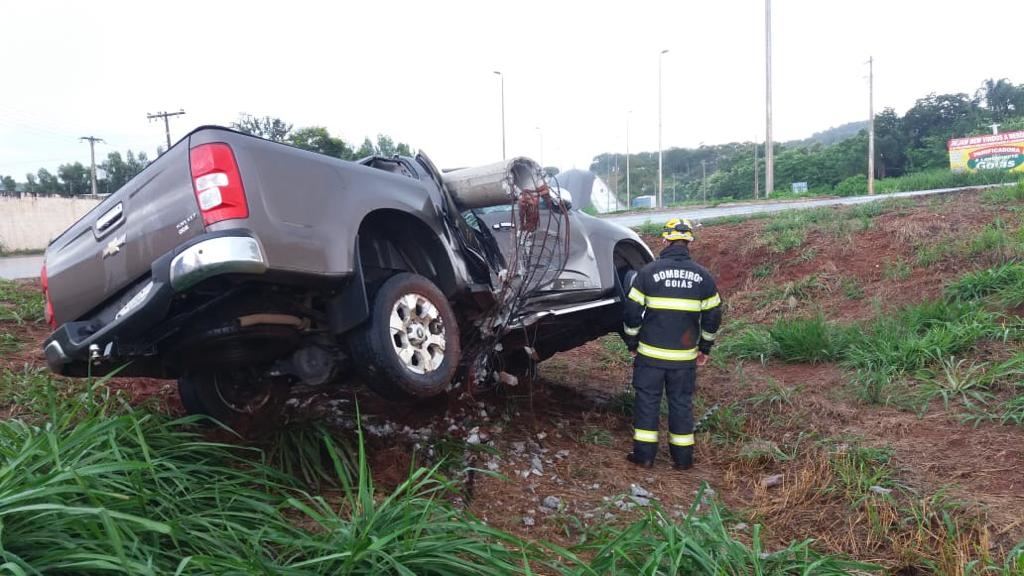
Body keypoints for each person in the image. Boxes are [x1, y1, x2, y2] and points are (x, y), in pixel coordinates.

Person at [622, 218, 722, 470]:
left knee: (647, 402)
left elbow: (632, 312)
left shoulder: (648, 273)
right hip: (683, 359)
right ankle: (683, 459)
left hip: (650, 358)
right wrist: (704, 348)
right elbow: (713, 316)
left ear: (665, 240)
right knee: (680, 403)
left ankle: (644, 456)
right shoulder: (703, 276)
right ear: (689, 243)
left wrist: (632, 342)